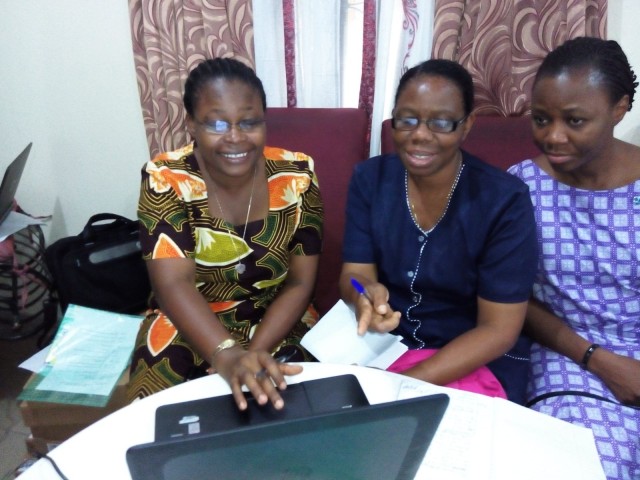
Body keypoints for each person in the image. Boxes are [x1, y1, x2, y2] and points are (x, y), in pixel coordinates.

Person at [127, 58, 323, 411]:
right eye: (217, 123)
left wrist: (257, 351)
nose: (235, 136)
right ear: (191, 124)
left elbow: (299, 283)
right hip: (189, 320)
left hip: (278, 317)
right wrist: (228, 355)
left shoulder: (298, 176)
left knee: (307, 409)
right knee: (158, 417)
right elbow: (173, 286)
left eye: (249, 122)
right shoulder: (166, 178)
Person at [339, 59, 538, 404]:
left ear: (467, 125)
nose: (419, 134)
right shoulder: (369, 180)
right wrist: (364, 294)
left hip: (467, 357)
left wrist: (403, 385)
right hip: (382, 348)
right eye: (408, 119)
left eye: (441, 123)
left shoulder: (503, 201)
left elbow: (498, 330)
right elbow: (354, 275)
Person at [507, 37, 640, 479]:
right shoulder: (519, 190)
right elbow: (509, 299)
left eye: (575, 120)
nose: (553, 136)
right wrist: (598, 359)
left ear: (620, 108)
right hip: (573, 360)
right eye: (541, 119)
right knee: (596, 464)